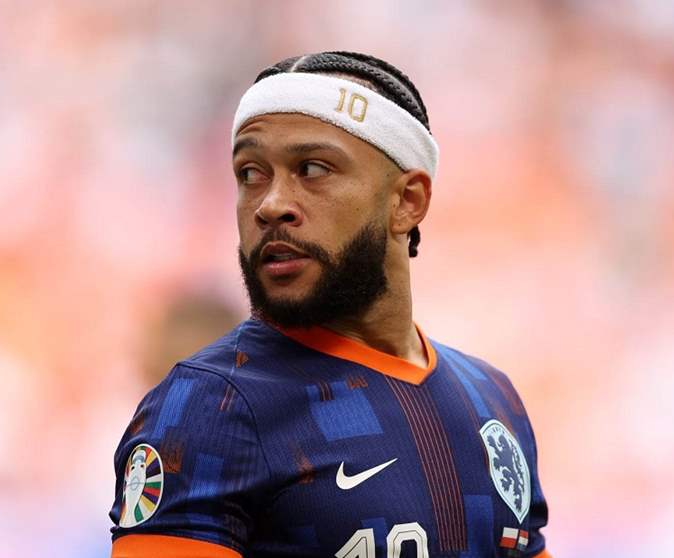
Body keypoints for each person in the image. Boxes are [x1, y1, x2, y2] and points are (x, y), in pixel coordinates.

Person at [109, 51, 550, 558]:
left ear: (408, 201)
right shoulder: (212, 407)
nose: (271, 204)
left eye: (312, 169)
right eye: (250, 173)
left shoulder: (492, 400)